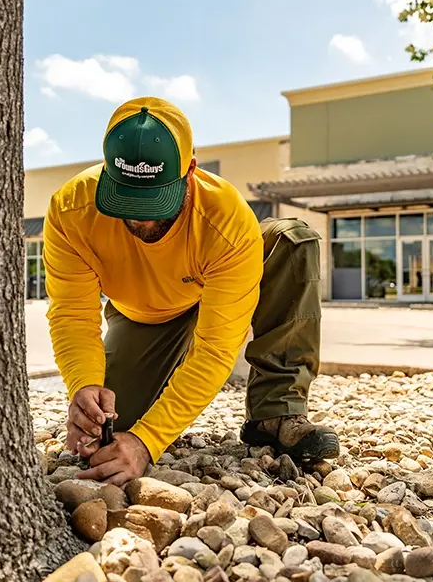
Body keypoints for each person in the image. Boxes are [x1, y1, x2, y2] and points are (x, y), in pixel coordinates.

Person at [42, 97, 339, 486]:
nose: (142, 217)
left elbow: (215, 349)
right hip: (142, 315)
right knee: (111, 428)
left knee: (291, 240)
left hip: (216, 293)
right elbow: (72, 314)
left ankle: (276, 410)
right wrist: (83, 386)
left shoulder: (226, 219)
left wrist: (147, 442)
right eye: (127, 200)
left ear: (191, 170)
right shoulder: (71, 211)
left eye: (156, 201)